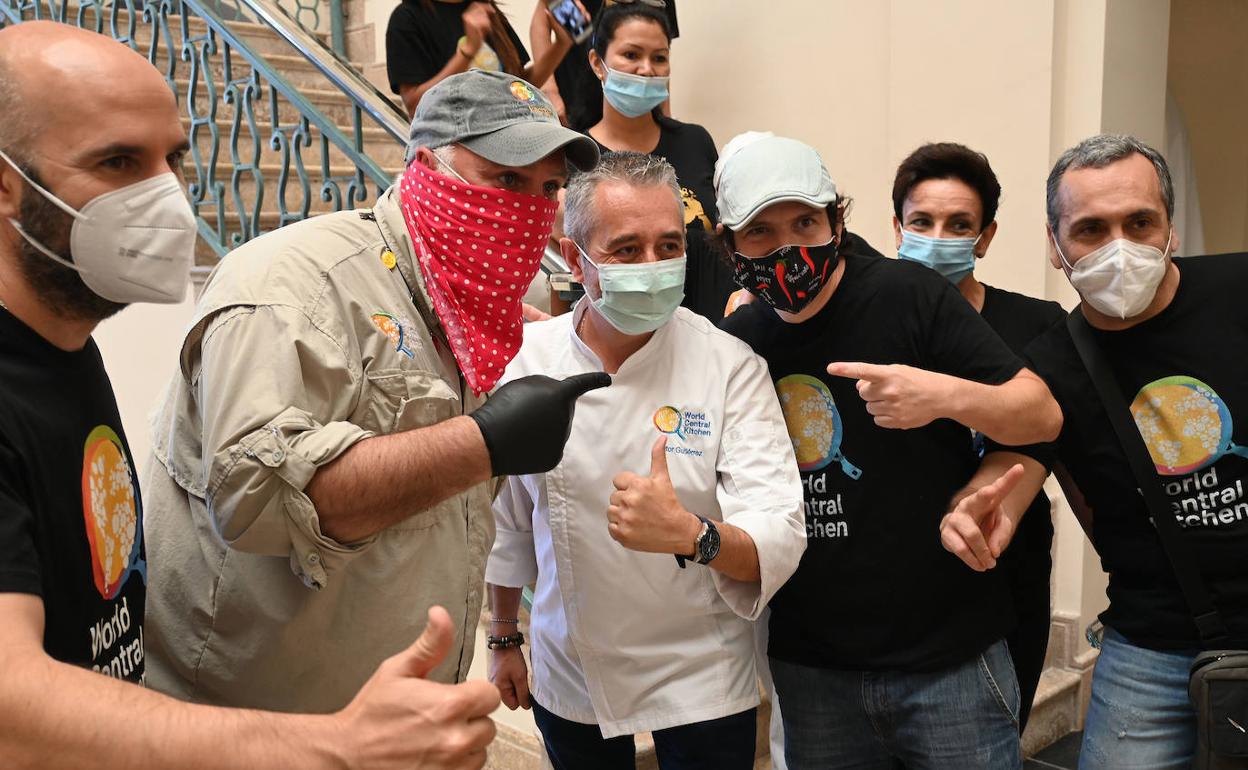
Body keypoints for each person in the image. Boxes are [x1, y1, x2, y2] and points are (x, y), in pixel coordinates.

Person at [0, 22, 502, 769]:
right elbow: (13, 709)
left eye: (172, 159)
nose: (166, 199)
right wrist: (337, 745)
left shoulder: (63, 351)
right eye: (116, 162)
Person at [142, 69, 605, 714]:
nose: (529, 207)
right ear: (427, 167)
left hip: (393, 712)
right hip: (264, 721)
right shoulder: (294, 287)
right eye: (506, 179)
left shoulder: (466, 302)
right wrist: (482, 443)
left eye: (548, 188)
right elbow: (256, 497)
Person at [715, 132, 1062, 769]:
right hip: (812, 663)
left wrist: (941, 395)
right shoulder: (738, 341)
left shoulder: (907, 293)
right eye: (759, 232)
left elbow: (1040, 413)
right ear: (730, 244)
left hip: (947, 658)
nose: (788, 248)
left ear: (836, 222)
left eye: (805, 222)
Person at [485, 151, 806, 769]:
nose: (653, 267)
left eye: (668, 246)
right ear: (575, 260)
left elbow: (779, 528)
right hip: (572, 662)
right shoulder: (525, 361)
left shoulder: (728, 365)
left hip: (700, 673)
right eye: (627, 250)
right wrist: (503, 635)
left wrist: (691, 535)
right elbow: (508, 522)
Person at [944, 134, 1248, 770]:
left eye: (1140, 222)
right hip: (1151, 644)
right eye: (1091, 229)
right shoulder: (1051, 362)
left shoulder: (1237, 292)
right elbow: (1018, 461)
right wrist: (973, 510)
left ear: (1171, 226)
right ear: (1057, 246)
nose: (1119, 246)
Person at [891, 142, 1066, 731]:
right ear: (897, 228)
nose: (939, 237)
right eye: (922, 222)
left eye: (959, 224)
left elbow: (1046, 437)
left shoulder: (1036, 323)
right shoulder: (872, 326)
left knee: (996, 730)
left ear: (985, 236)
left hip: (1006, 561)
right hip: (903, 570)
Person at [583, 2, 730, 322]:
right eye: (632, 55)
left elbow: (724, 238)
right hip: (617, 338)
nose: (647, 69)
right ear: (598, 63)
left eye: (659, 58)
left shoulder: (695, 141)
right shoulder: (577, 155)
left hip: (710, 329)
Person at [387, 0, 575, 117]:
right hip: (455, 155)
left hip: (509, 141)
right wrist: (468, 51)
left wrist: (561, 45)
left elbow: (519, 83)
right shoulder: (407, 18)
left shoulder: (485, 8)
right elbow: (415, 105)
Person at [530, 0, 680, 130]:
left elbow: (659, 50)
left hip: (640, 107)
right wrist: (550, 91)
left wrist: (665, 114)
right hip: (574, 94)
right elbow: (543, 20)